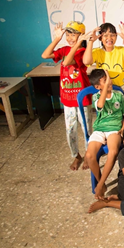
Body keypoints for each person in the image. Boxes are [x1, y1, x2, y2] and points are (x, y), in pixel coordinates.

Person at [41, 21, 93, 171]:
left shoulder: (83, 51)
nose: (70, 37)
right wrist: (57, 38)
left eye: (74, 34)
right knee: (70, 129)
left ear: (81, 36)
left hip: (82, 98)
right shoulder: (63, 49)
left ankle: (88, 154)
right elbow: (45, 55)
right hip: (67, 99)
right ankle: (76, 155)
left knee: (86, 128)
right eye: (68, 34)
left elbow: (67, 62)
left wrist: (80, 43)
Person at [85, 69, 124, 199]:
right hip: (99, 129)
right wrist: (105, 88)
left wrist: (122, 128)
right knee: (89, 156)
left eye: (108, 79)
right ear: (97, 87)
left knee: (113, 152)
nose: (109, 82)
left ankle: (99, 186)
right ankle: (101, 183)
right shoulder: (96, 96)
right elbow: (100, 104)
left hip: (114, 129)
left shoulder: (119, 95)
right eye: (105, 81)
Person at [83, 22, 124, 93]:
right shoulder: (97, 52)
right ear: (100, 38)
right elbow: (86, 61)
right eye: (105, 35)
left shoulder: (121, 50)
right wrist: (91, 41)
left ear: (116, 36)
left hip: (123, 90)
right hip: (106, 92)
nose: (109, 38)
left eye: (112, 35)